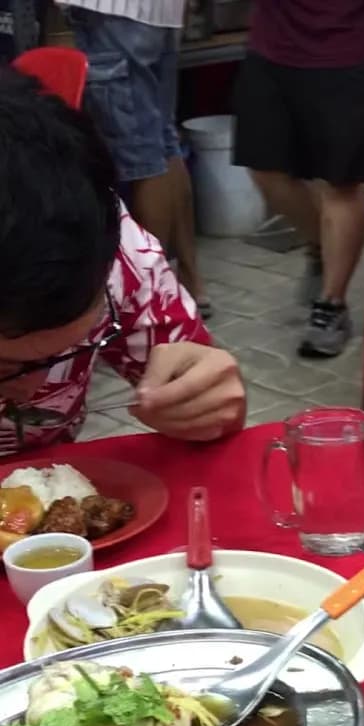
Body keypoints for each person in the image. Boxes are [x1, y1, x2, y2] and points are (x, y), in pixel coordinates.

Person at [0, 70, 245, 453]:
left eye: (70, 349)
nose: (32, 390)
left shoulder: (117, 257)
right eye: (4, 368)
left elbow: (205, 400)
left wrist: (209, 406)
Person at [234, 0, 364, 359]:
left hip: (349, 50)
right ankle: (321, 246)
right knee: (264, 168)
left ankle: (332, 305)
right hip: (272, 47)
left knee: (341, 183)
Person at [67, 0, 206, 309]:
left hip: (114, 14)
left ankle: (150, 297)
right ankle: (187, 284)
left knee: (142, 155)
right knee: (162, 141)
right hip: (157, 15)